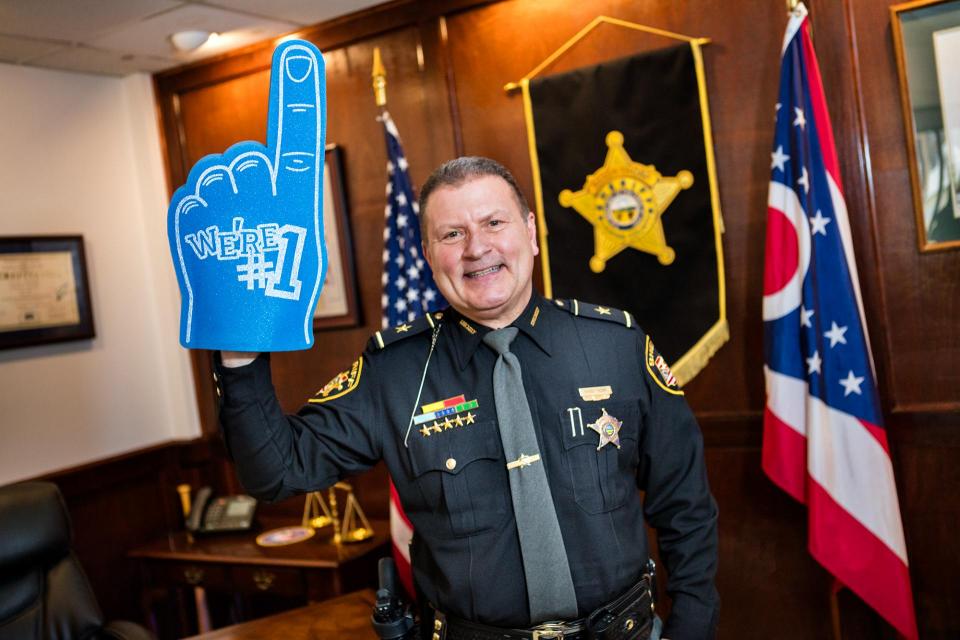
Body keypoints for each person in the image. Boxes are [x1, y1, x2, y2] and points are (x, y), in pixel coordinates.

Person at [215, 157, 719, 640]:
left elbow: (685, 503)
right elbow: (277, 472)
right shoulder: (394, 372)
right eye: (452, 234)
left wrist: (690, 627)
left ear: (530, 231)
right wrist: (239, 351)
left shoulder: (616, 344)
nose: (477, 248)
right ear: (430, 255)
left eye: (494, 222)